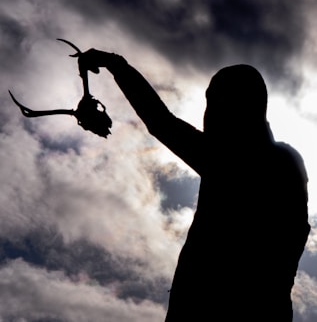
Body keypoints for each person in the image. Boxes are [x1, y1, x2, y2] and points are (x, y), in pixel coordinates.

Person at [77, 48, 310, 321]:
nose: (208, 112)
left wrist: (116, 65)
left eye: (215, 102)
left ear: (235, 107)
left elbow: (161, 122)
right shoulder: (283, 160)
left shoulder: (235, 159)